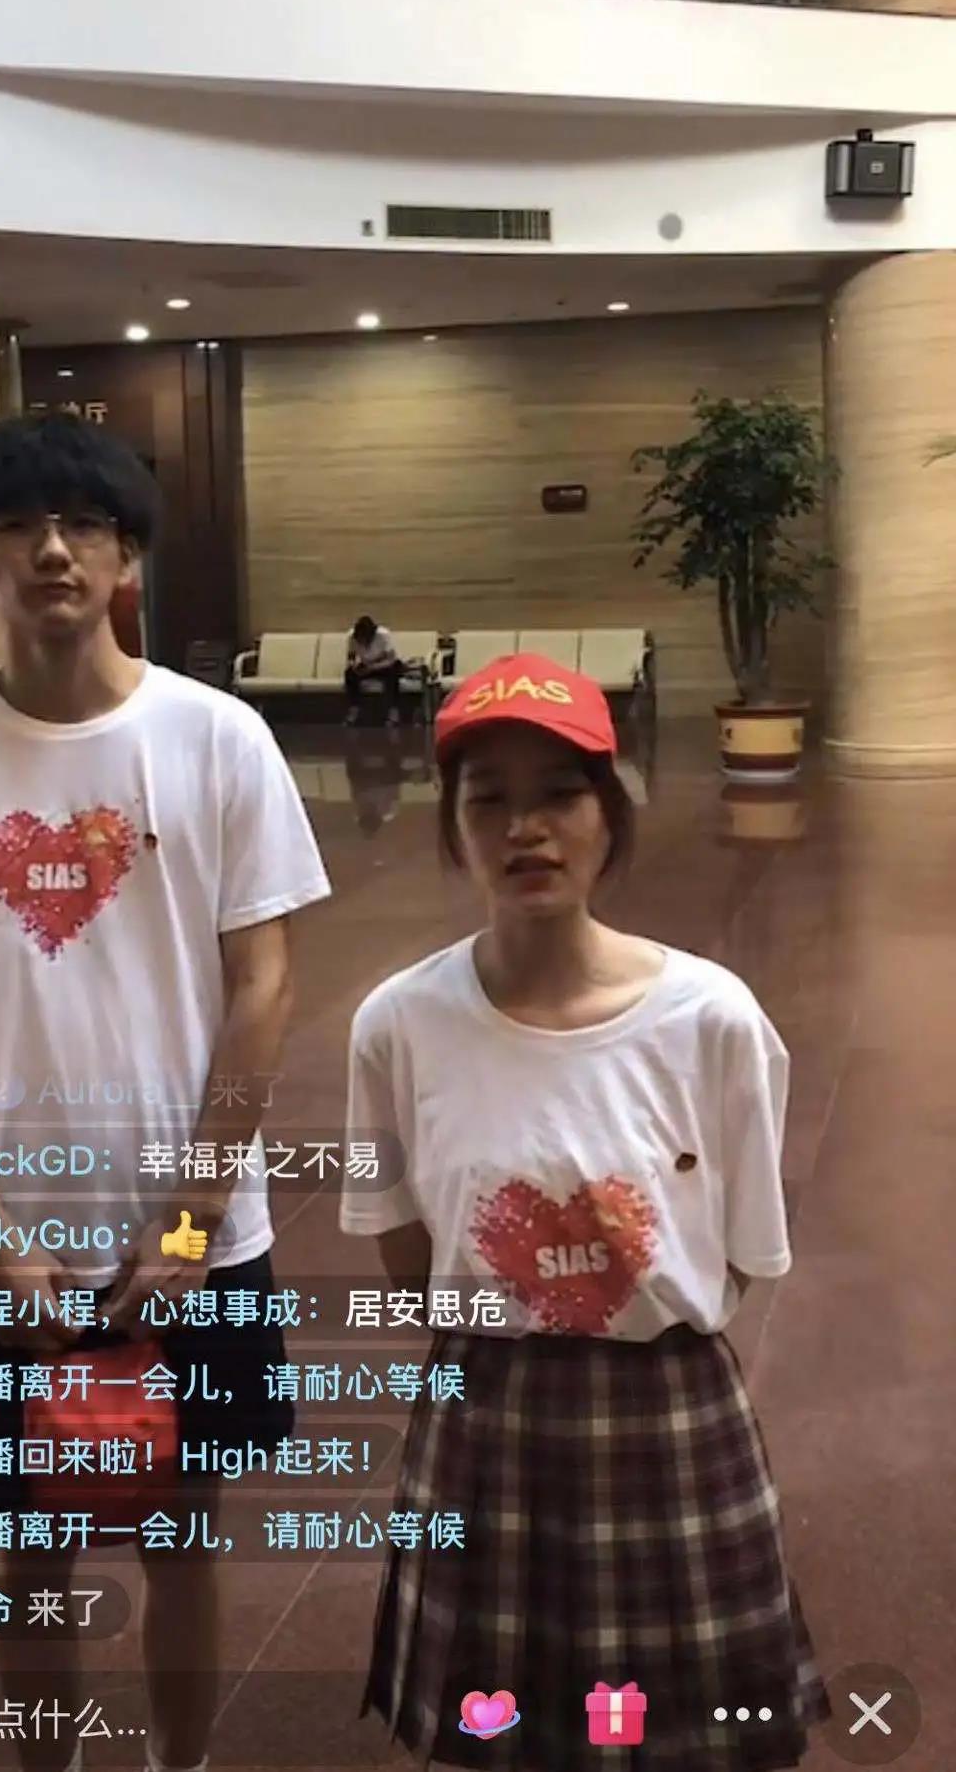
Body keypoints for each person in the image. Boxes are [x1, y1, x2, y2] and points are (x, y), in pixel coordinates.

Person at [0, 413, 331, 1772]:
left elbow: (264, 985)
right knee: (30, 1538)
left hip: (191, 1238)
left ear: (127, 554)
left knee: (182, 1527)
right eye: (16, 525)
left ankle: (180, 1761)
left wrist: (189, 1222)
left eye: (82, 523)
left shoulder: (219, 737)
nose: (52, 550)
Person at [339, 653, 828, 1770]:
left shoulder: (712, 1018)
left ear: (611, 813)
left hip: (668, 1408)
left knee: (681, 1738)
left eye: (560, 794)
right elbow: (406, 1248)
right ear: (452, 825)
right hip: (485, 1412)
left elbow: (742, 1251)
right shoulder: (398, 1025)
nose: (527, 828)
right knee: (500, 1733)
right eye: (489, 799)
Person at [345, 614, 403, 727]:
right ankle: (354, 710)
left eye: (365, 638)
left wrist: (373, 667)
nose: (362, 642)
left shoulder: (383, 634)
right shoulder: (352, 636)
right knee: (349, 674)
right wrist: (353, 665)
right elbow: (351, 656)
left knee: (393, 674)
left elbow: (391, 659)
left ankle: (393, 712)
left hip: (384, 665)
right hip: (366, 665)